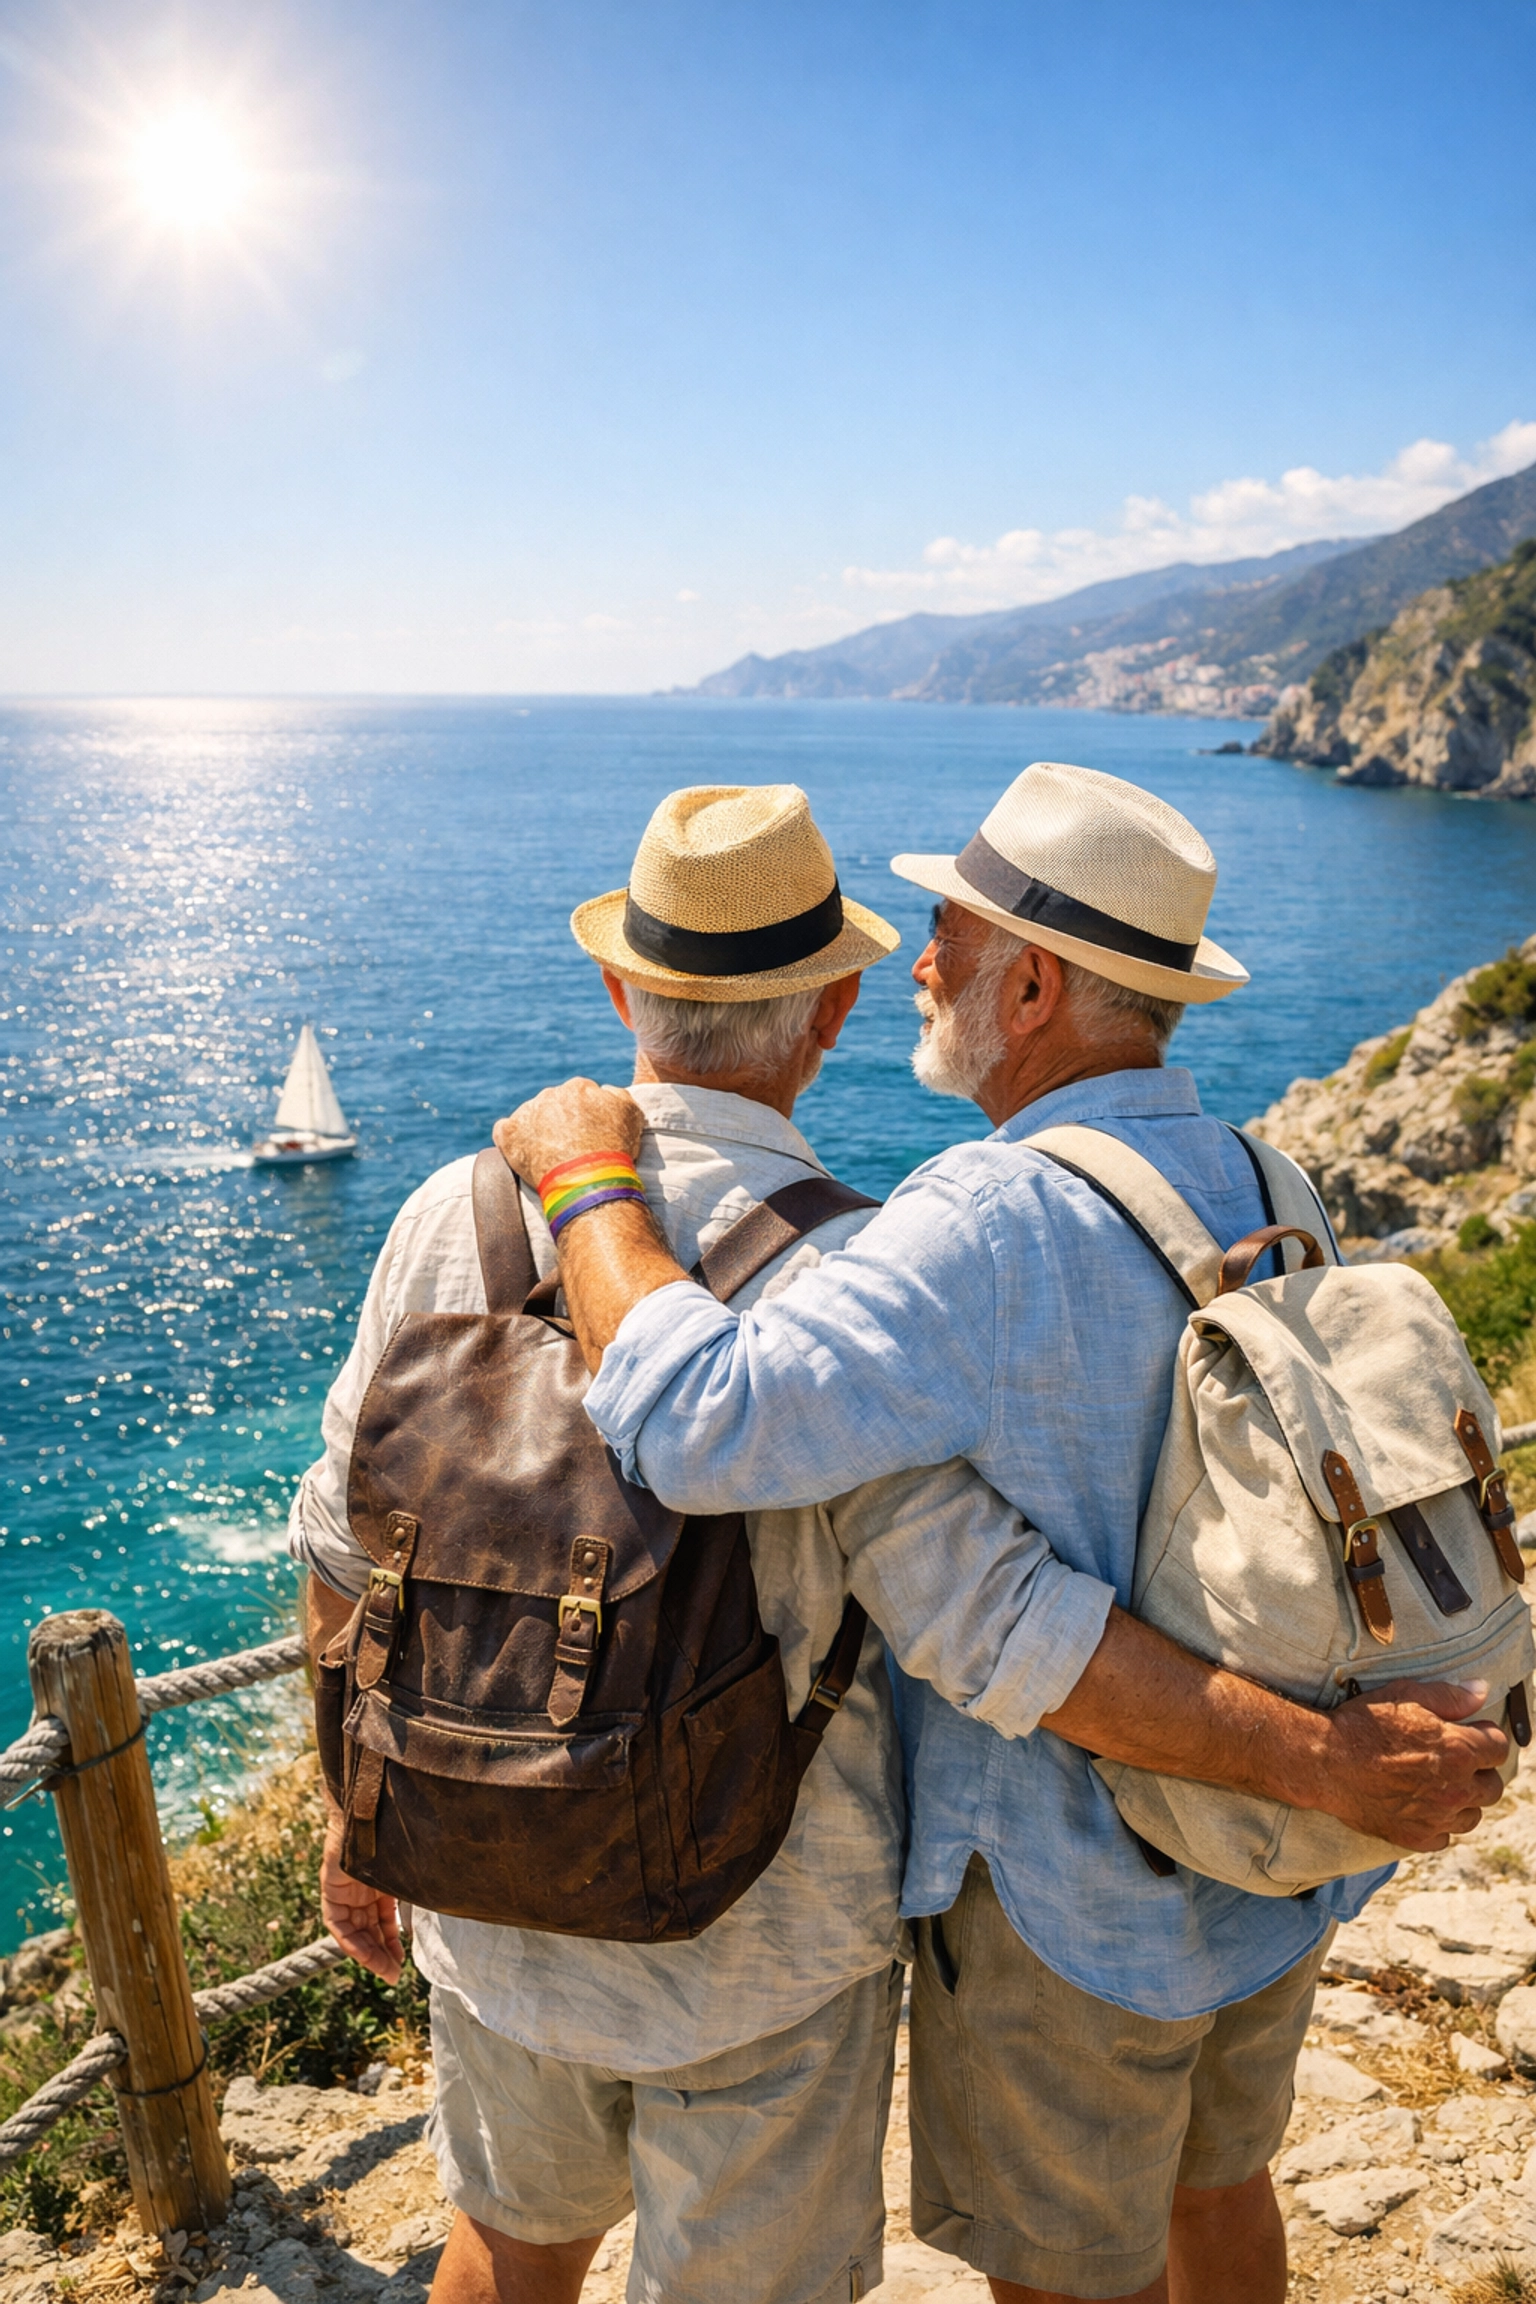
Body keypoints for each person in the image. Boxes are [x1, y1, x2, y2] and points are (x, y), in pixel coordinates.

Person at [495, 760, 1508, 2304]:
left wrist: (589, 1189)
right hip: (1275, 1862)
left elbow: (702, 1423)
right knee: (1223, 2191)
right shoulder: (1265, 1169)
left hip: (1070, 1899)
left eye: (950, 940)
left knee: (1062, 2272)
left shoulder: (982, 1215)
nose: (918, 963)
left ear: (1031, 984)